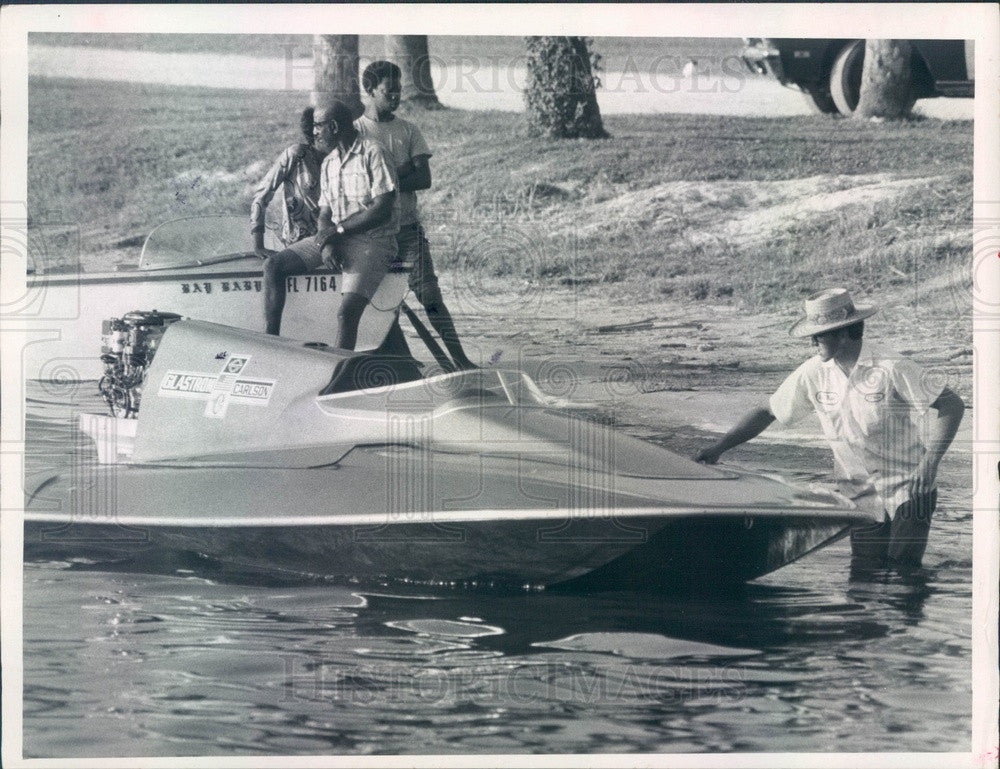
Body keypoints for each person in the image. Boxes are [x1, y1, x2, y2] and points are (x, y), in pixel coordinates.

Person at [694, 288, 964, 570]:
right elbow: (766, 412)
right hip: (860, 494)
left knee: (904, 575)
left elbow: (952, 405)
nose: (813, 341)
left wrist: (929, 464)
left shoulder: (891, 366)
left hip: (911, 487)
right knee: (864, 578)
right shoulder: (813, 372)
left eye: (819, 334)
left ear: (844, 332)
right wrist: (718, 448)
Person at [355, 60, 477, 370]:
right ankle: (401, 361)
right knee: (383, 302)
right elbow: (357, 184)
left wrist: (385, 180)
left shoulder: (408, 130)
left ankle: (459, 359)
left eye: (398, 90)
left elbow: (424, 179)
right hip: (372, 233)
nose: (395, 96)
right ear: (369, 90)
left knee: (430, 296)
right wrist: (402, 171)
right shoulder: (356, 132)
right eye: (388, 90)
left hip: (407, 231)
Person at [263, 100, 399, 350]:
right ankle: (270, 346)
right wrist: (325, 242)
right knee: (273, 265)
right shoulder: (329, 162)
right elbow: (324, 212)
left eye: (318, 126)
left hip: (373, 242)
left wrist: (335, 233)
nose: (313, 132)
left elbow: (382, 209)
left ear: (334, 126)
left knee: (346, 314)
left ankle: (337, 372)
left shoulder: (374, 152)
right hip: (335, 237)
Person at [252, 106, 329, 325]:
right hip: (300, 242)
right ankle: (272, 338)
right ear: (313, 131)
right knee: (273, 267)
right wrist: (257, 242)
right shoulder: (297, 155)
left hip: (333, 238)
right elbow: (261, 195)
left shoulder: (342, 157)